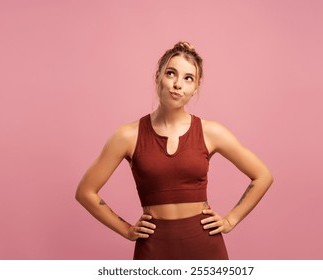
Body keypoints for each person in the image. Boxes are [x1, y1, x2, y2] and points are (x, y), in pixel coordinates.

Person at [75, 42, 273, 260]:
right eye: (171, 73)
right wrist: (126, 230)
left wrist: (230, 220)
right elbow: (85, 192)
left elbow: (263, 176)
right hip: (153, 248)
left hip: (205, 245)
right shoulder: (127, 136)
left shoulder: (211, 132)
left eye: (188, 78)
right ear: (158, 77)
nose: (178, 84)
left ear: (196, 87)